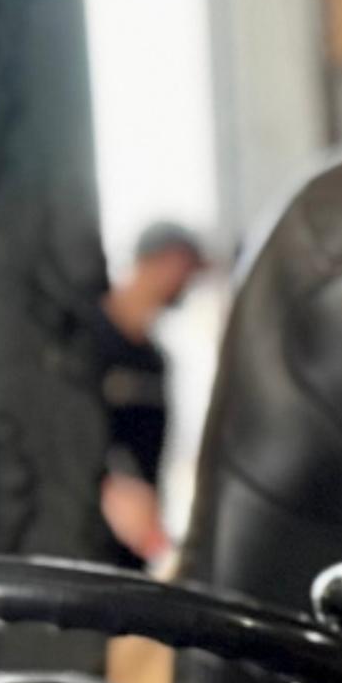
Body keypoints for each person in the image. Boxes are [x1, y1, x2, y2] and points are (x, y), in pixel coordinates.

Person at [94, 221, 211, 563]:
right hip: (83, 536)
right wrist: (107, 485)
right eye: (185, 268)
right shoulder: (89, 342)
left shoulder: (154, 361)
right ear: (165, 260)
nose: (188, 283)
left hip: (135, 547)